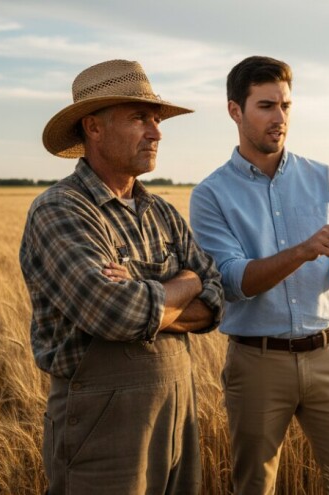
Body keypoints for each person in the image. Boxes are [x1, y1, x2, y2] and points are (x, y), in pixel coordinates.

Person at [189, 55, 329, 494]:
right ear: (235, 111)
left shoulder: (324, 178)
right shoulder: (211, 195)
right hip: (257, 363)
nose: (279, 118)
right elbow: (232, 282)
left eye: (285, 106)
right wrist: (302, 251)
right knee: (254, 487)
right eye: (266, 106)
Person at [19, 59, 223, 494]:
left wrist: (145, 294)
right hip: (102, 429)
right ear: (93, 127)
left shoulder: (161, 211)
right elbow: (115, 314)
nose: (156, 133)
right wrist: (188, 282)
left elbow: (216, 301)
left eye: (157, 120)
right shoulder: (61, 209)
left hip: (178, 417)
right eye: (139, 118)